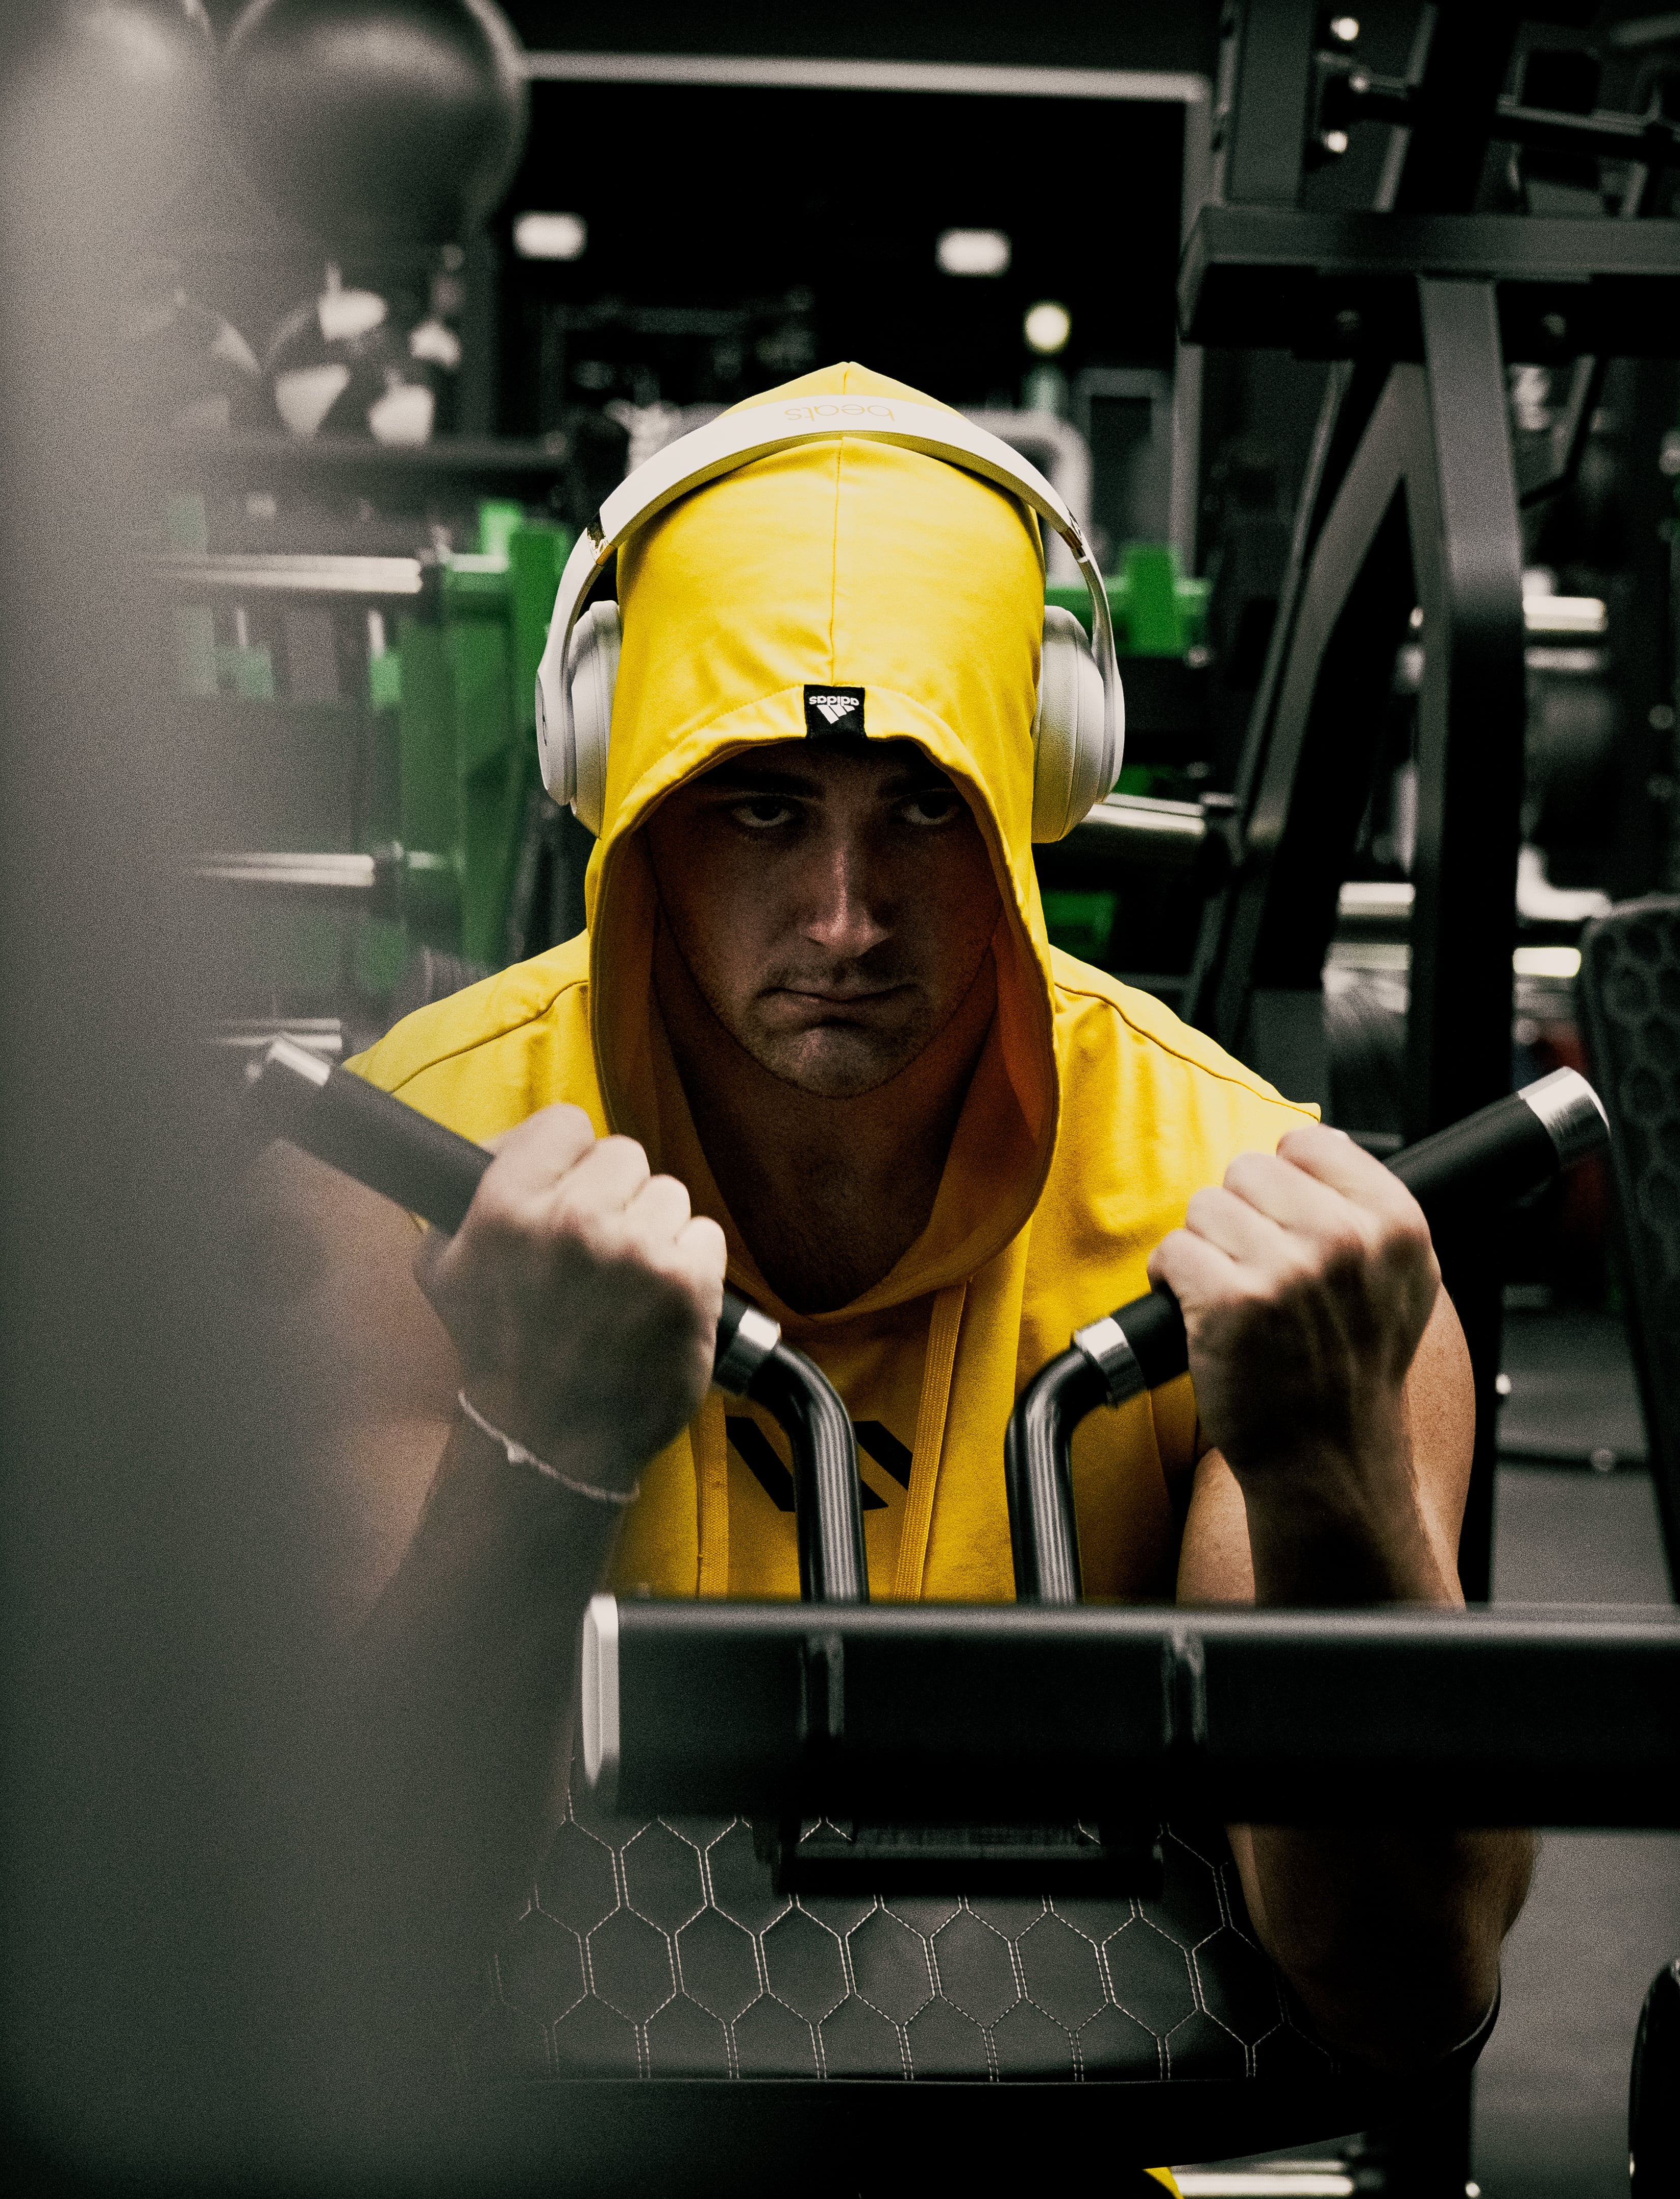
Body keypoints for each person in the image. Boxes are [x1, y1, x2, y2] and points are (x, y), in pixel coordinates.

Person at [263, 363, 1530, 2086]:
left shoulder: (1235, 1208)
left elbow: (1407, 1989)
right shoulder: (407, 1177)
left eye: (926, 806)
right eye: (763, 805)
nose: (847, 919)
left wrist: (1332, 1480)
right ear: (623, 783)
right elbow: (325, 1956)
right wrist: (537, 1442)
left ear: (1036, 784)